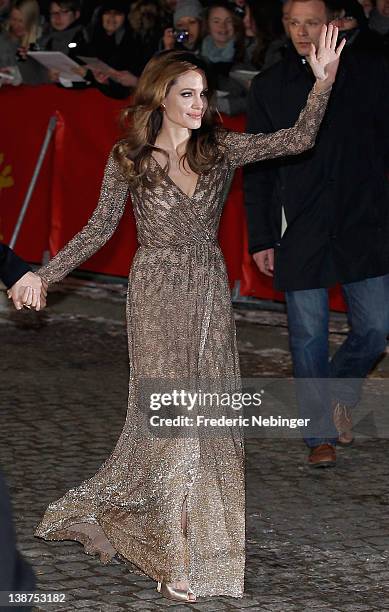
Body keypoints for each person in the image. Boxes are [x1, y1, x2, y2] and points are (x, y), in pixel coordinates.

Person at [31, 35, 343, 602]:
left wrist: (321, 82)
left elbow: (297, 139)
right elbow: (99, 230)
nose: (201, 105)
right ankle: (168, 554)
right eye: (190, 94)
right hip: (155, 298)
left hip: (207, 295)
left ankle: (196, 546)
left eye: (205, 95)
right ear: (161, 97)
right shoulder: (129, 158)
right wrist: (44, 276)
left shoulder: (219, 150)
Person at [244, 0, 389, 468]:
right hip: (300, 228)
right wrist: (262, 236)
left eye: (312, 21)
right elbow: (258, 170)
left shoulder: (368, 72)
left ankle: (338, 393)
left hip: (361, 224)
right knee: (308, 336)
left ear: (332, 23)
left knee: (376, 329)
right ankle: (317, 433)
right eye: (294, 22)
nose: (303, 31)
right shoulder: (270, 86)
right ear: (283, 26)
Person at [0, 0, 47, 86]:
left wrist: (28, 45)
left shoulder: (42, 41)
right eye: (14, 19)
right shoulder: (4, 39)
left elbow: (34, 78)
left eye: (21, 21)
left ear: (31, 20)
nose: (16, 25)